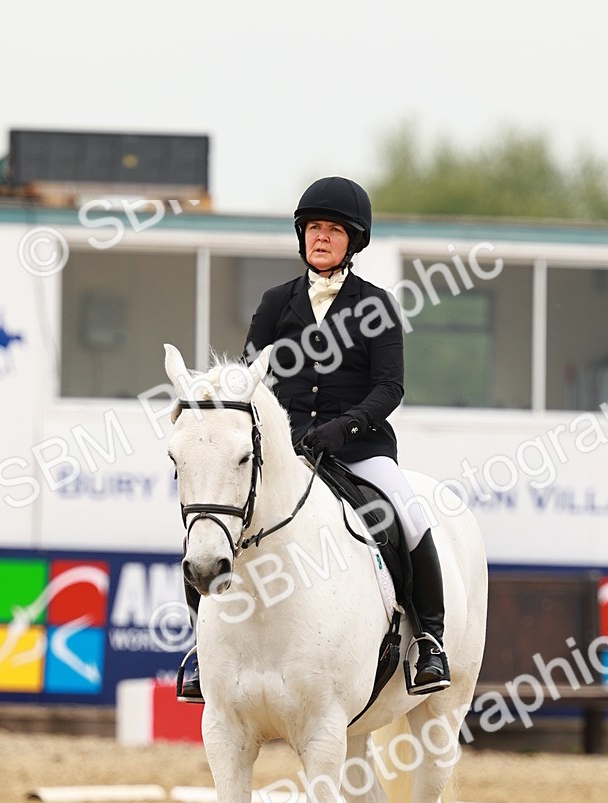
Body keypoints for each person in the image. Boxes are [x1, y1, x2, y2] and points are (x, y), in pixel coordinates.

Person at [179, 176, 450, 701]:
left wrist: (343, 426)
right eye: (313, 228)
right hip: (288, 454)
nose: (320, 238)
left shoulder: (378, 305)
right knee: (210, 523)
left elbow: (389, 387)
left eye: (332, 229)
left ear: (354, 240)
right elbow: (247, 379)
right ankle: (200, 646)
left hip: (358, 450)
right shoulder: (275, 303)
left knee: (410, 516)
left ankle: (429, 640)